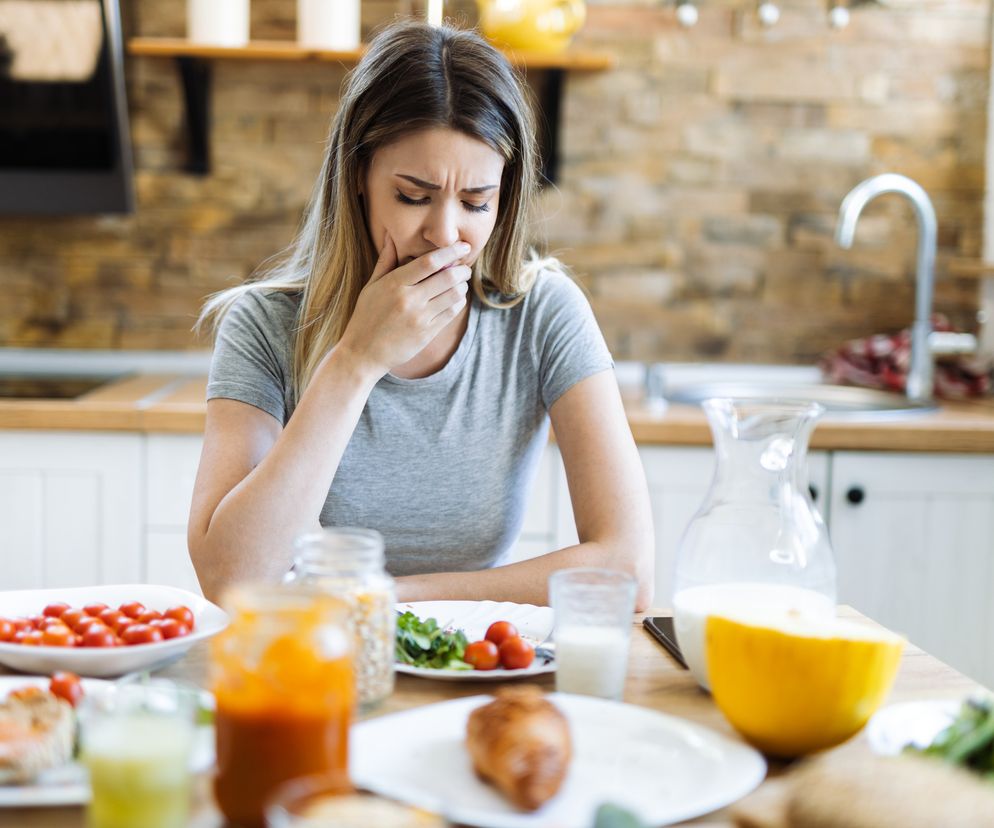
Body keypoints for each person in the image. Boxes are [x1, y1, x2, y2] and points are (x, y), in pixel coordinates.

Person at [188, 20, 654, 610]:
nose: (445, 233)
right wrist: (356, 361)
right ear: (359, 176)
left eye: (476, 203)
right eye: (414, 196)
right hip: (316, 654)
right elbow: (230, 581)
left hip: (472, 654)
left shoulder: (543, 314)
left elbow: (629, 570)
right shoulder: (262, 325)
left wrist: (386, 598)